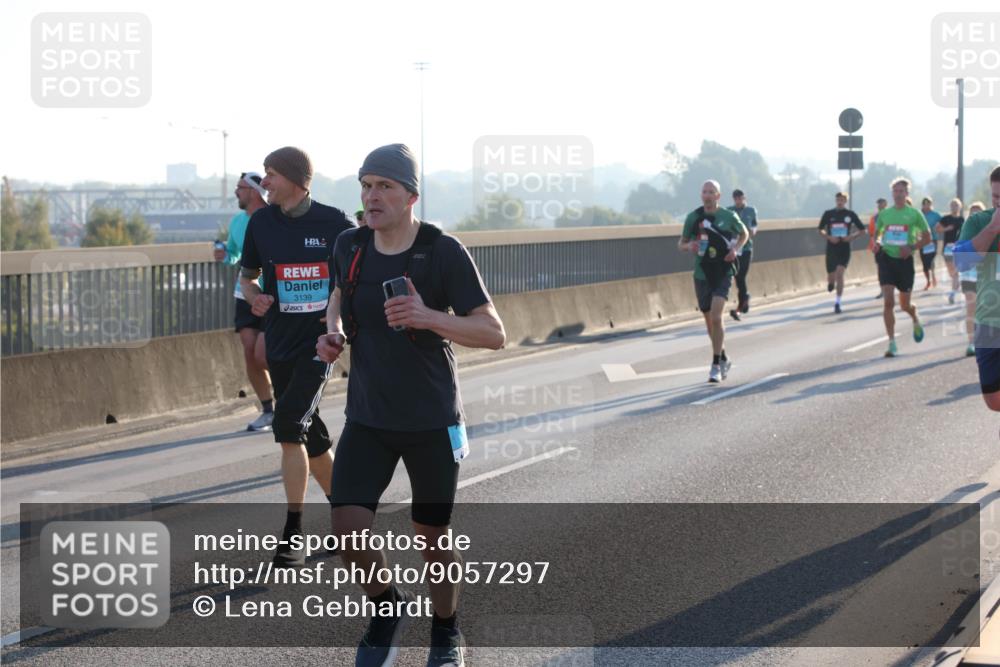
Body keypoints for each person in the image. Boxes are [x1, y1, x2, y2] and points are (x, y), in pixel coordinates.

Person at [316, 143, 505, 667]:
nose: (371, 196)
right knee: (349, 530)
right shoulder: (350, 246)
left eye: (385, 187)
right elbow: (337, 295)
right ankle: (385, 609)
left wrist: (428, 316)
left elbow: (493, 333)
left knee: (432, 538)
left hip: (432, 419)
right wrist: (331, 333)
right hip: (369, 416)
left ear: (410, 197)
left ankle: (446, 629)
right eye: (366, 185)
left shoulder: (442, 250)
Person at [240, 146, 356, 566]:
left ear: (295, 179)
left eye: (270, 174)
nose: (264, 182)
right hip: (280, 343)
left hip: (319, 345)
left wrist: (338, 323)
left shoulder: (335, 224)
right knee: (311, 432)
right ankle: (349, 515)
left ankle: (294, 532)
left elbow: (352, 281)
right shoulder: (261, 224)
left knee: (289, 425)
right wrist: (255, 298)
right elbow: (247, 277)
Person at [214, 172, 275, 431]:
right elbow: (234, 255)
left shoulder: (274, 217)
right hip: (244, 292)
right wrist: (223, 254)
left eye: (240, 188)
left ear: (252, 191)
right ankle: (268, 410)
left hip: (271, 294)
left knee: (264, 355)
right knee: (250, 352)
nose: (236, 193)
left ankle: (290, 402)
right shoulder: (238, 221)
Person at [678, 179, 749, 382]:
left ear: (718, 196)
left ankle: (716, 365)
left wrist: (735, 249)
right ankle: (724, 356)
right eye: (704, 192)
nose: (707, 195)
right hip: (702, 273)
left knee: (717, 317)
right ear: (701, 195)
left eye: (711, 192)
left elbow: (744, 233)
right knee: (710, 323)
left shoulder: (728, 216)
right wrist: (689, 245)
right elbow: (681, 243)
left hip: (723, 271)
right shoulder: (694, 217)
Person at [955, 169, 1000, 412]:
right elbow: (962, 263)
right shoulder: (979, 222)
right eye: (996, 197)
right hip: (989, 322)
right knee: (993, 401)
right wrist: (993, 228)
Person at [873, 178, 931, 357]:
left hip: (905, 262)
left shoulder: (914, 214)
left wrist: (912, 247)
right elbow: (878, 234)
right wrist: (876, 243)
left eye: (901, 191)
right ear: (892, 194)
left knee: (904, 304)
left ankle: (914, 317)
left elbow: (927, 237)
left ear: (907, 194)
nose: (898, 194)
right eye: (895, 191)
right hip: (887, 259)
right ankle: (892, 343)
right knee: (888, 302)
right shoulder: (885, 214)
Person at [818, 192, 866, 313]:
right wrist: (829, 237)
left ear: (846, 201)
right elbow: (820, 229)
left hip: (844, 248)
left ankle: (838, 302)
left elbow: (862, 230)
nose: (840, 201)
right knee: (831, 276)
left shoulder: (850, 214)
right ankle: (830, 282)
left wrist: (851, 237)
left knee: (840, 274)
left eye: (842, 200)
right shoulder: (828, 214)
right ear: (835, 200)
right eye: (838, 199)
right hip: (831, 247)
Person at [727, 189, 757, 321]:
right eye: (736, 199)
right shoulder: (729, 211)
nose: (739, 201)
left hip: (746, 248)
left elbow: (755, 224)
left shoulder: (751, 210)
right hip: (734, 247)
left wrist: (753, 231)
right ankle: (745, 299)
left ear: (745, 198)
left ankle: (741, 305)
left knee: (741, 276)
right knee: (738, 277)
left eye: (741, 198)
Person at [936, 198, 965, 305]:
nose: (954, 207)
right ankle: (957, 283)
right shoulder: (946, 219)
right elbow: (937, 229)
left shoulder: (962, 219)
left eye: (956, 205)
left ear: (960, 207)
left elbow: (965, 232)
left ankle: (952, 294)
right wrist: (946, 229)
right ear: (950, 207)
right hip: (947, 248)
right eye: (952, 205)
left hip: (958, 248)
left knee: (955, 273)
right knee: (952, 273)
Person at [920, 197, 942, 290]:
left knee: (931, 259)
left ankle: (933, 275)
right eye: (924, 203)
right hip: (922, 241)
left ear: (931, 204)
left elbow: (942, 223)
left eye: (928, 203)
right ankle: (928, 281)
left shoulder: (936, 215)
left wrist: (938, 228)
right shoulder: (919, 214)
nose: (926, 205)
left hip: (933, 240)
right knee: (924, 262)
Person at [869, 198, 888, 299]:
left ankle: (889, 288)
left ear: (886, 204)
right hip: (879, 245)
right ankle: (882, 290)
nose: (879, 205)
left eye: (881, 203)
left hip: (889, 244)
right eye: (878, 204)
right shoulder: (875, 217)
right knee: (880, 268)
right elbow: (872, 233)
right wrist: (874, 245)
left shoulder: (891, 214)